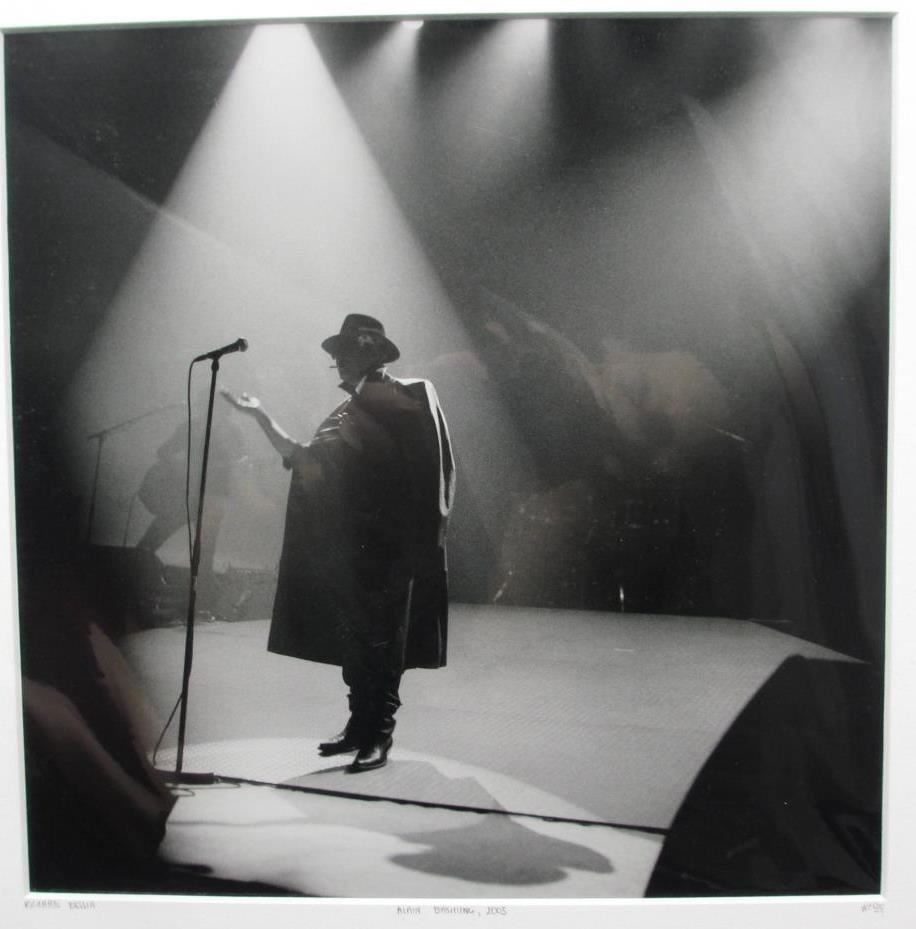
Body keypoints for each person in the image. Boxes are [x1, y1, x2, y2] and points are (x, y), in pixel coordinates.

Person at [222, 314, 454, 772]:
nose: (339, 363)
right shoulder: (343, 413)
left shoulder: (407, 394)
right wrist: (259, 415)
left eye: (347, 353)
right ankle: (357, 725)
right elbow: (306, 461)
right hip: (348, 546)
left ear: (372, 353)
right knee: (355, 638)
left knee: (383, 640)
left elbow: (430, 467)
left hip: (390, 546)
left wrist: (420, 544)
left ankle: (378, 733)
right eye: (337, 356)